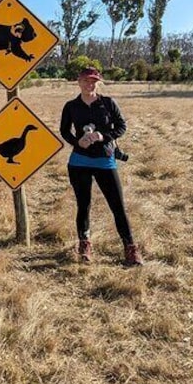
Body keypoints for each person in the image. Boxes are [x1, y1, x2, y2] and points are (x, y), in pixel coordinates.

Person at [59, 67, 143, 266]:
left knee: (118, 206)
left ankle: (130, 248)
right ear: (78, 82)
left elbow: (121, 126)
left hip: (105, 161)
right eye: (86, 80)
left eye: (94, 81)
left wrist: (103, 136)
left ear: (99, 83)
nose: (90, 84)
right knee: (84, 205)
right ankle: (84, 244)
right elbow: (64, 130)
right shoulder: (71, 106)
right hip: (79, 162)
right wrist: (77, 142)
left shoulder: (107, 103)